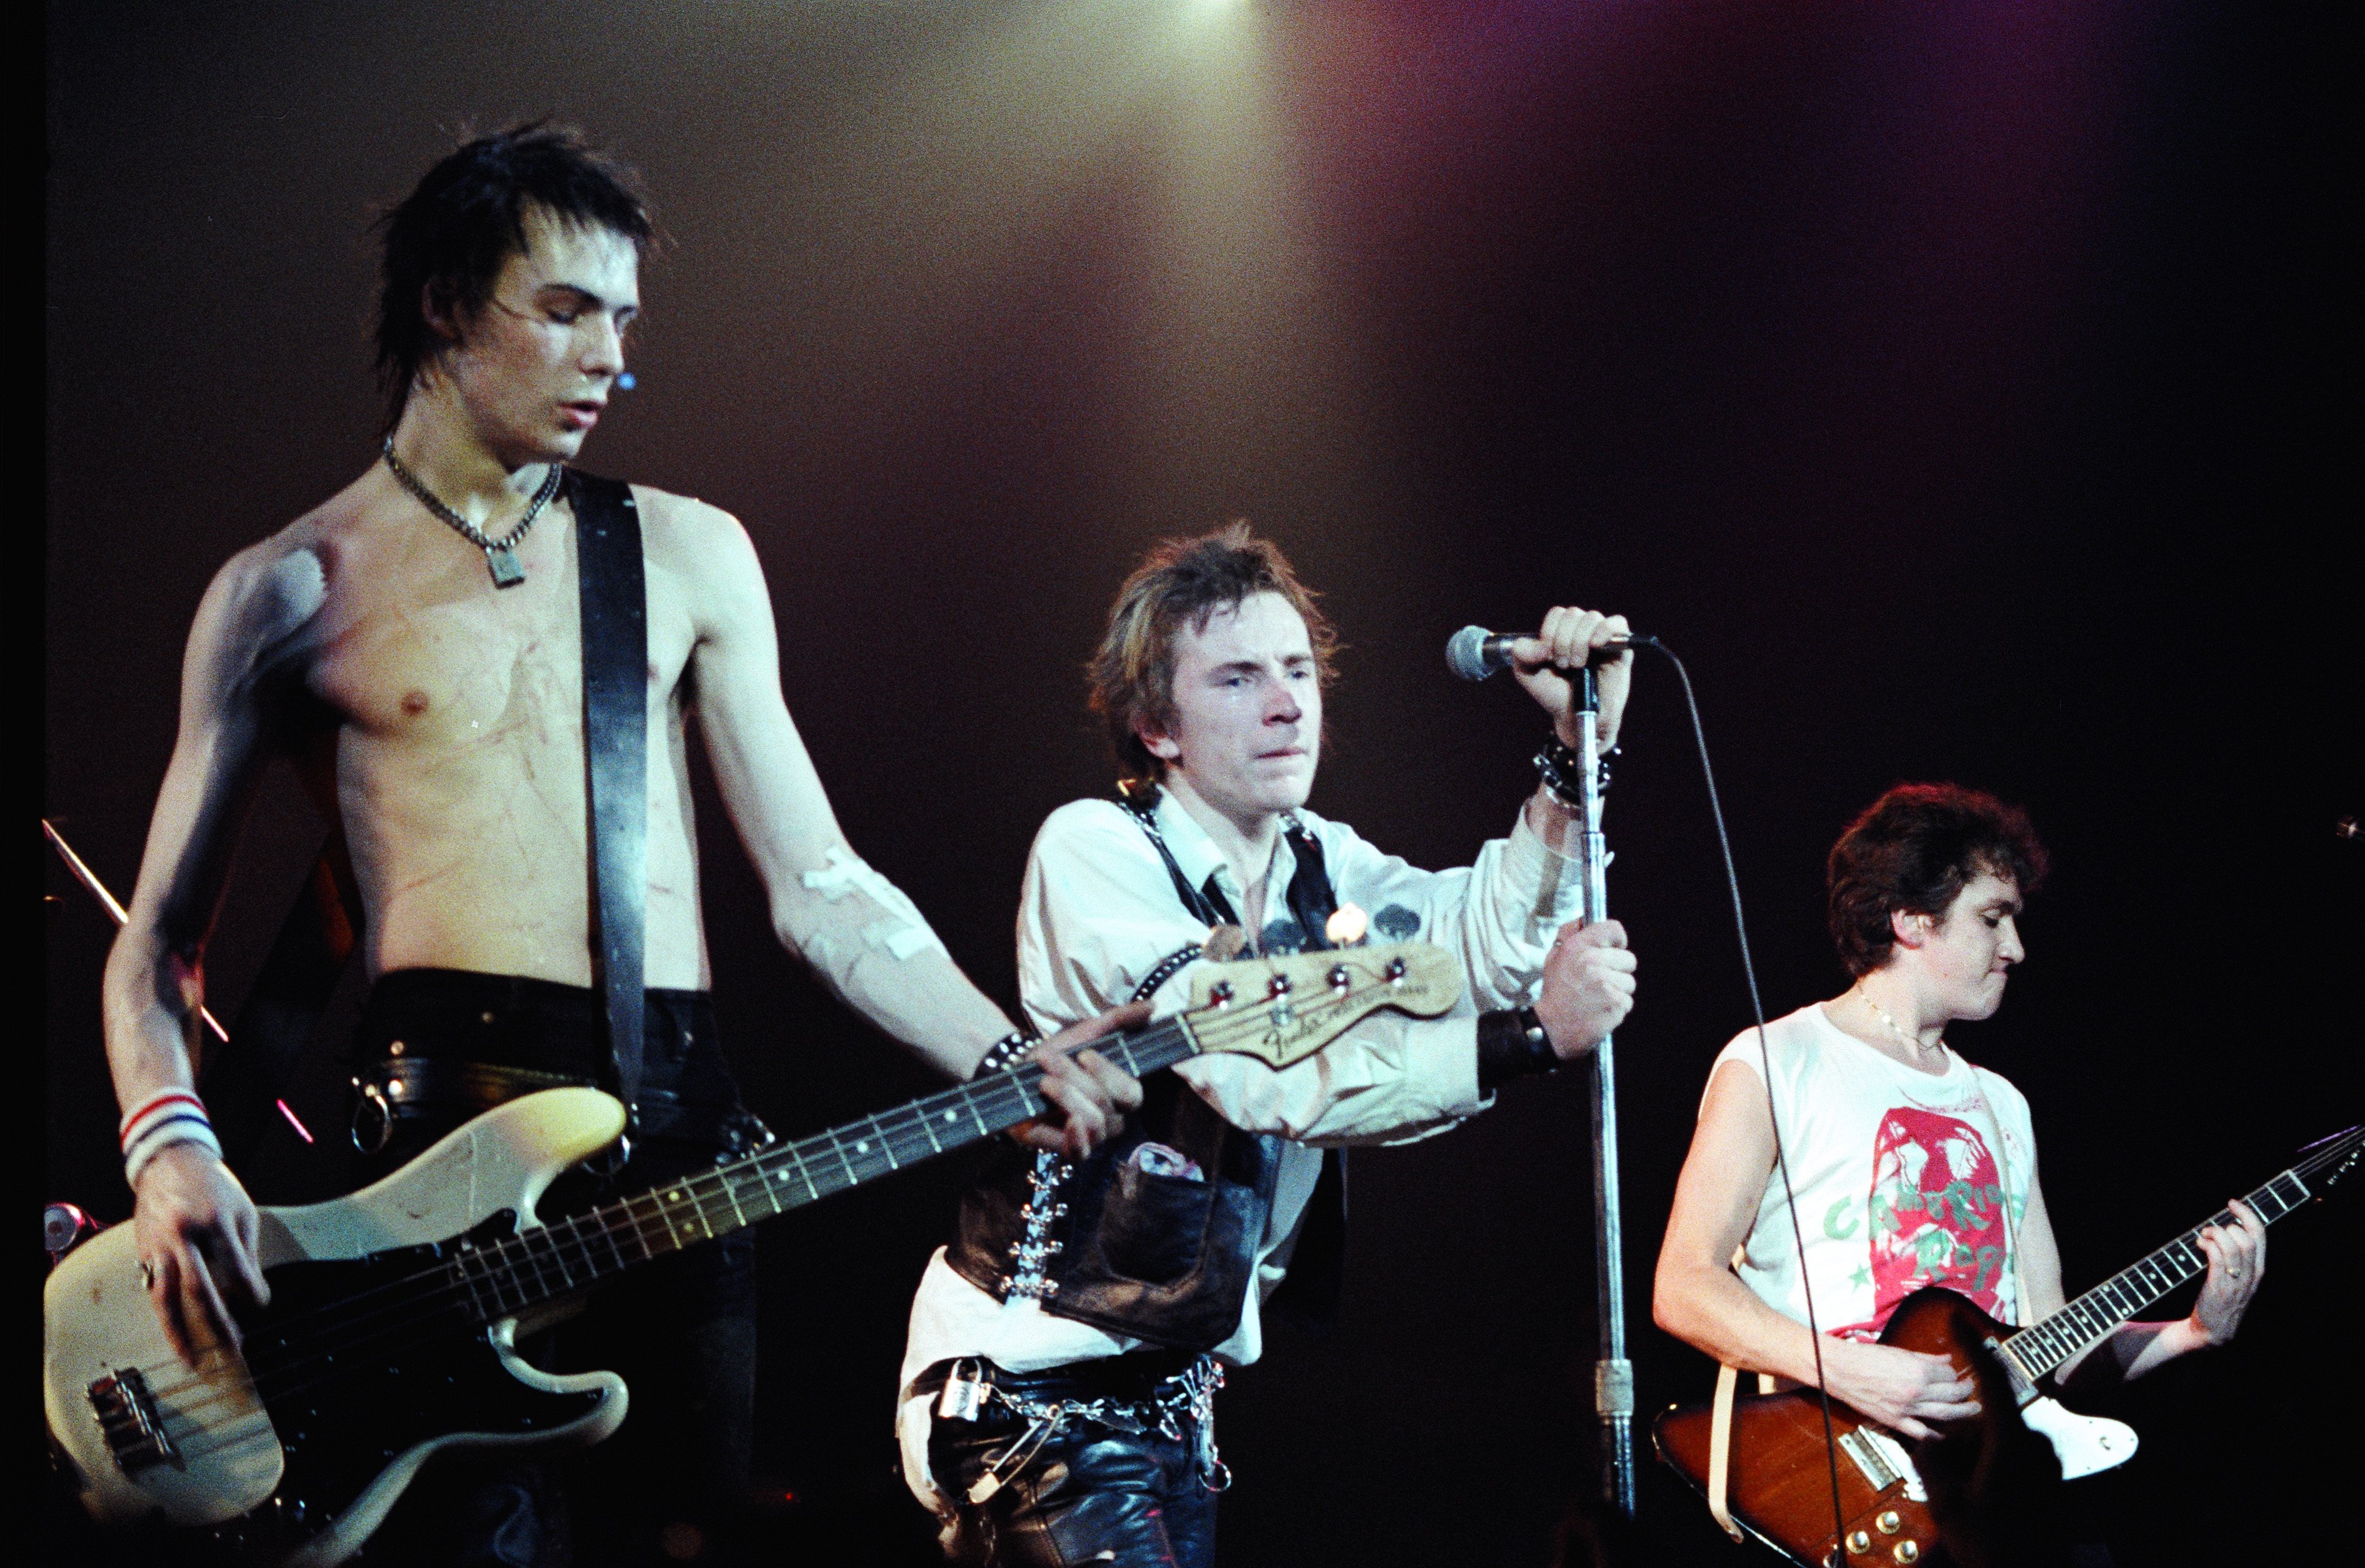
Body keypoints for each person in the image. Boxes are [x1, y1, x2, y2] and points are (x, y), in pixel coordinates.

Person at [97, 123, 1138, 1566]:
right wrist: (168, 1149)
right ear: (450, 308)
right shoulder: (289, 587)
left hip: (680, 1132)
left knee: (687, 1542)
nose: (612, 359)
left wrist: (991, 1052)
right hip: (434, 1156)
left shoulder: (690, 550)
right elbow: (158, 950)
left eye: (627, 321)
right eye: (566, 311)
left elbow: (820, 883)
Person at [893, 524, 1644, 1567]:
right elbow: (1260, 1072)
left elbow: (1479, 940)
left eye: (1296, 671)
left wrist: (1573, 758)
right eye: (1239, 679)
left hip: (1177, 1405)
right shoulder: (1098, 849)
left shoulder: (1320, 864)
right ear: (1156, 725)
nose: (1288, 703)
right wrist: (1525, 1038)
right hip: (1031, 1393)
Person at [1651, 783, 2266, 1560]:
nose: (2015, 948)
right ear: (1909, 920)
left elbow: (2054, 1347)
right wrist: (1851, 1370)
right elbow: (1683, 1285)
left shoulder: (2001, 1105)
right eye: (1991, 918)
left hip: (2004, 1510)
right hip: (1845, 1487)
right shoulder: (1777, 1060)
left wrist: (2194, 1332)